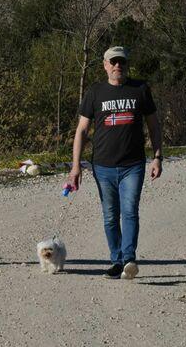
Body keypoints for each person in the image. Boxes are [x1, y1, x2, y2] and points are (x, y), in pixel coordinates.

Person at [68, 46, 162, 279]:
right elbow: (81, 130)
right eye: (113, 62)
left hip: (133, 165)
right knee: (110, 215)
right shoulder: (95, 92)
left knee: (129, 211)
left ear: (127, 64)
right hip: (103, 166)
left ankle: (129, 258)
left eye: (121, 62)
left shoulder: (140, 89)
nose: (117, 66)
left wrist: (158, 157)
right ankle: (116, 260)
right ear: (105, 65)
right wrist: (75, 166)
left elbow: (154, 125)